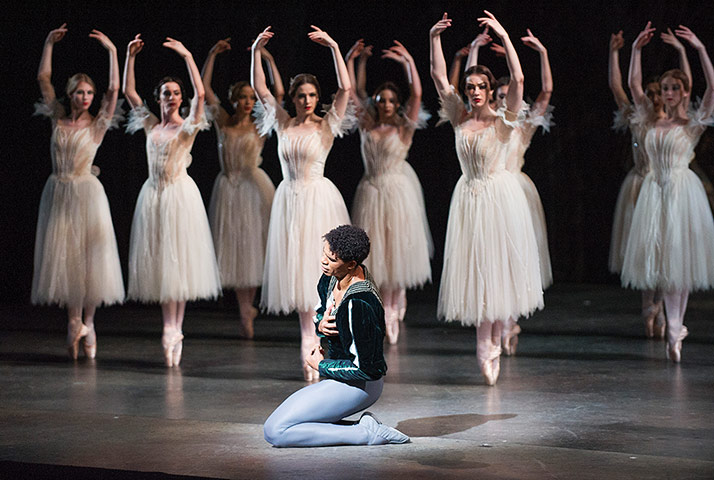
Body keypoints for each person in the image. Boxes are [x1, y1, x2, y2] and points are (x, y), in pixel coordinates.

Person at [430, 12, 543, 385]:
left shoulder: (503, 119)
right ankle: (485, 343)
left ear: (490, 89)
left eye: (481, 85)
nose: (475, 91)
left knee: (497, 270)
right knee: (477, 272)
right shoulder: (460, 118)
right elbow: (438, 78)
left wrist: (506, 36)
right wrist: (435, 38)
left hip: (498, 196)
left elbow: (522, 79)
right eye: (471, 86)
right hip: (468, 195)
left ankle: (496, 338)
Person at [251, 26, 354, 381]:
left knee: (321, 273)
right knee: (295, 275)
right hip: (289, 201)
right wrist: (255, 51)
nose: (308, 100)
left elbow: (346, 89)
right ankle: (305, 340)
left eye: (312, 95)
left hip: (318, 199)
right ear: (293, 97)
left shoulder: (326, 126)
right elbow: (261, 89)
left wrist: (335, 46)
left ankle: (325, 343)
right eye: (302, 95)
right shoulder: (282, 123)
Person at [123, 34, 221, 367]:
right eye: (168, 93)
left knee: (178, 263)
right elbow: (129, 93)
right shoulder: (151, 124)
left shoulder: (186, 128)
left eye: (177, 93)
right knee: (163, 263)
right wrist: (129, 56)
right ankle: (170, 327)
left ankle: (174, 328)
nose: (174, 97)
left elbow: (202, 95)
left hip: (180, 196)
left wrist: (188, 55)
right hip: (153, 195)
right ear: (160, 98)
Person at [263, 225, 408, 447]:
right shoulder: (332, 277)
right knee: (276, 428)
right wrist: (320, 323)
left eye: (331, 259)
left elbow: (369, 369)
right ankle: (362, 428)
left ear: (351, 264)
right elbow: (321, 309)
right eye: (324, 253)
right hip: (340, 379)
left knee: (276, 432)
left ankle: (366, 434)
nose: (323, 261)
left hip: (361, 386)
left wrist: (321, 365)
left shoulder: (359, 303)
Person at [622, 22, 714, 362]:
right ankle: (667, 320)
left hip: (681, 191)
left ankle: (675, 326)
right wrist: (635, 50)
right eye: (665, 88)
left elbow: (713, 88)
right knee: (659, 261)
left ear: (685, 92)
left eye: (675, 88)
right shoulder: (651, 120)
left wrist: (700, 49)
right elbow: (632, 84)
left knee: (680, 260)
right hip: (653, 190)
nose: (669, 93)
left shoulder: (692, 123)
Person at [32, 24, 124, 360]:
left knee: (90, 263)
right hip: (58, 191)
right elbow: (44, 79)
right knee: (66, 260)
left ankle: (89, 321)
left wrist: (113, 52)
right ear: (70, 94)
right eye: (80, 93)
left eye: (89, 93)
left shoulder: (97, 124)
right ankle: (73, 322)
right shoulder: (58, 119)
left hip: (87, 194)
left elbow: (114, 90)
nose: (85, 98)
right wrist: (48, 44)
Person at [467, 28, 554, 355]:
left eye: (507, 95)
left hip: (515, 191)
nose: (503, 100)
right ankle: (499, 324)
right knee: (492, 259)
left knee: (513, 257)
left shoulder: (520, 125)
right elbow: (467, 85)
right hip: (488, 190)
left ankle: (510, 318)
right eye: (498, 95)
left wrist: (542, 53)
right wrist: (475, 51)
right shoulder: (486, 124)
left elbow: (545, 92)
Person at [345, 38, 433, 344]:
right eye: (380, 99)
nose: (385, 104)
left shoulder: (403, 128)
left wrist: (409, 61)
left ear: (397, 105)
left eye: (391, 101)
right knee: (377, 253)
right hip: (370, 190)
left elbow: (419, 94)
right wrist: (357, 61)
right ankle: (382, 307)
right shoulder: (367, 125)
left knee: (397, 250)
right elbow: (354, 93)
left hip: (396, 192)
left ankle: (395, 307)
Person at [608, 28, 692, 339]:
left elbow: (687, 84)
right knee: (646, 250)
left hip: (667, 186)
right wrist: (616, 52)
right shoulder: (640, 119)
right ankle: (649, 305)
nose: (657, 97)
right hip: (640, 187)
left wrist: (683, 51)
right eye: (653, 92)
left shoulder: (674, 120)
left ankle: (661, 305)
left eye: (661, 92)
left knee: (667, 251)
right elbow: (620, 86)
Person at [201, 37, 283, 338]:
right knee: (233, 250)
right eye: (243, 97)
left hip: (251, 187)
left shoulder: (259, 126)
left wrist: (266, 58)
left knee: (250, 248)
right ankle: (243, 308)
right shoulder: (223, 120)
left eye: (252, 97)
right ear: (234, 100)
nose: (249, 102)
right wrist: (211, 54)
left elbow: (278, 94)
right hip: (227, 187)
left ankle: (247, 308)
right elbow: (205, 91)